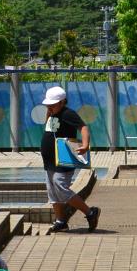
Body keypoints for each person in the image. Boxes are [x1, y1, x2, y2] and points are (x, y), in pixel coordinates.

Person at [38, 85, 100, 233]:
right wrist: (49, 111)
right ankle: (61, 221)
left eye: (52, 105)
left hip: (63, 158)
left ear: (62, 102)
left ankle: (90, 212)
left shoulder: (68, 114)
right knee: (52, 191)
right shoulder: (52, 113)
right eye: (48, 105)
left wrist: (85, 145)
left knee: (60, 187)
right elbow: (48, 128)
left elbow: (83, 128)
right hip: (49, 160)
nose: (49, 107)